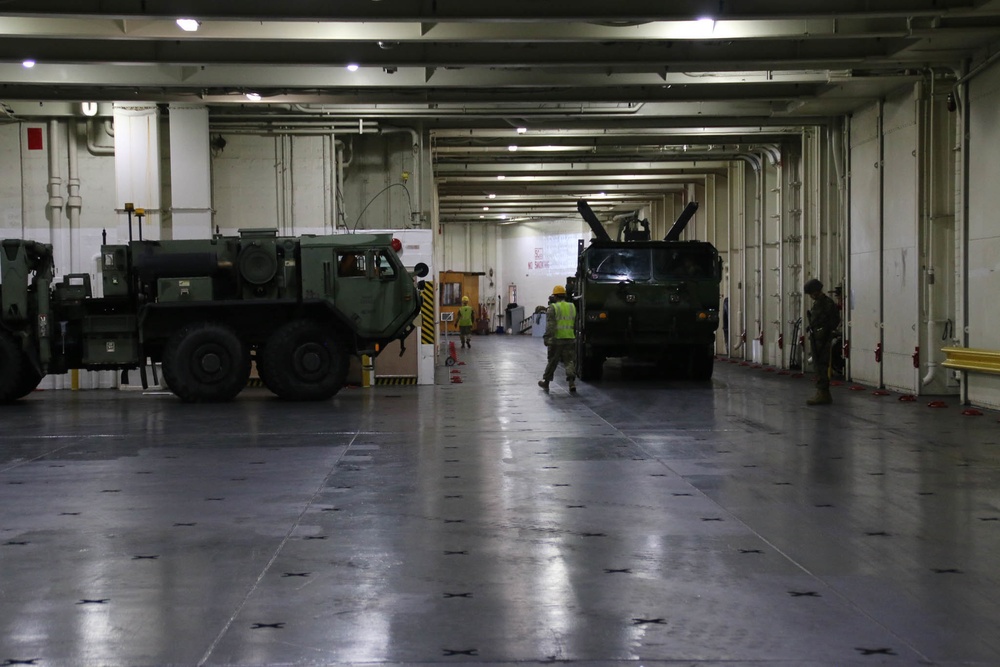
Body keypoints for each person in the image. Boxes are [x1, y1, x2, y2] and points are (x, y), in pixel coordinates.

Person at [804, 278, 841, 405]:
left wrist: (825, 330)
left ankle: (823, 393)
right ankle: (822, 392)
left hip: (823, 339)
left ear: (815, 291)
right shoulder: (820, 303)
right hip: (817, 338)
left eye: (811, 293)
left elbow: (834, 320)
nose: (811, 296)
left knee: (821, 365)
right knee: (818, 365)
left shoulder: (825, 303)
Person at [538, 284, 577, 393]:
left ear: (555, 296)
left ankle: (546, 382)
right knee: (569, 361)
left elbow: (550, 326)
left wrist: (547, 338)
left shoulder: (553, 308)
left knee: (552, 361)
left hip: (557, 339)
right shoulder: (572, 306)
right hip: (570, 338)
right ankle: (571, 383)